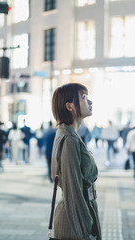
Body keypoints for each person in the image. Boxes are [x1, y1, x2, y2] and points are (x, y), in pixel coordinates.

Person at [50, 83, 101, 240]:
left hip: (77, 215)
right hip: (75, 222)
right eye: (84, 98)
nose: (90, 102)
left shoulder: (69, 134)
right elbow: (73, 190)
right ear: (70, 106)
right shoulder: (69, 139)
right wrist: (85, 231)